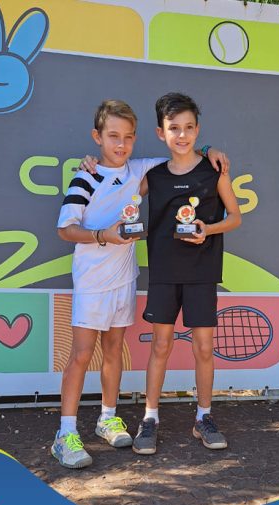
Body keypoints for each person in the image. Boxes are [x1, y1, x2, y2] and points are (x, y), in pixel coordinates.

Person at [52, 99, 228, 469]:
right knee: (81, 355)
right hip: (91, 281)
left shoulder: (142, 169)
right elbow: (65, 229)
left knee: (114, 350)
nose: (121, 144)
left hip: (124, 278)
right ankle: (65, 433)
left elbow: (184, 154)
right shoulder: (85, 176)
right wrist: (103, 235)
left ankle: (107, 418)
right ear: (97, 137)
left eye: (128, 137)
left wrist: (211, 149)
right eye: (113, 136)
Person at [131, 93, 242, 456]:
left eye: (189, 128)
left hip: (202, 273)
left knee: (204, 348)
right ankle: (150, 418)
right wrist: (91, 166)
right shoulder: (153, 176)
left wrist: (207, 230)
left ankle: (204, 417)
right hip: (164, 273)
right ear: (160, 133)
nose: (182, 135)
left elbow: (235, 217)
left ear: (198, 129)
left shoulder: (214, 170)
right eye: (174, 128)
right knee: (160, 346)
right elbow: (120, 193)